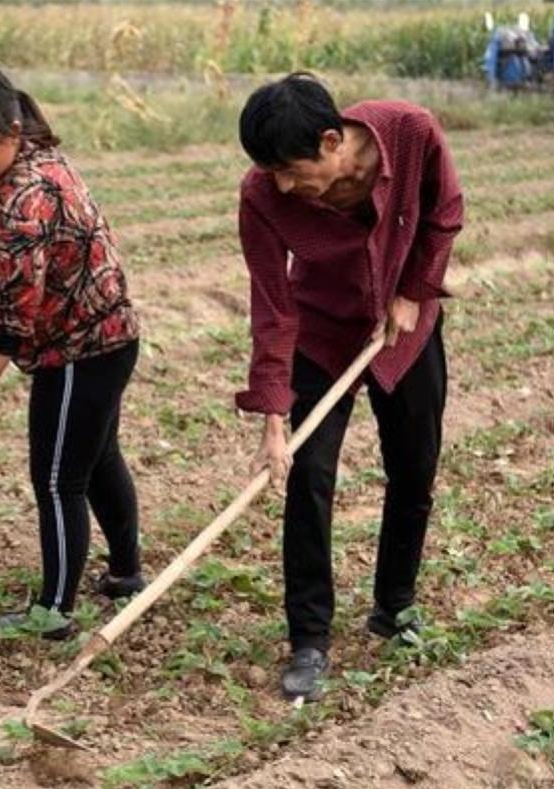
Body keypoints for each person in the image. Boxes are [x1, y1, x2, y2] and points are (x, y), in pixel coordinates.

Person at [234, 72, 463, 698]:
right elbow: (273, 307)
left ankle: (396, 607)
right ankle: (309, 639)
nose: (281, 185)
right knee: (308, 478)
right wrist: (274, 417)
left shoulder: (410, 131)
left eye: (290, 170)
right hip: (321, 333)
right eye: (270, 172)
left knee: (414, 468)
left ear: (333, 141)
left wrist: (415, 291)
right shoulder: (262, 195)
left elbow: (444, 214)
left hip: (404, 329)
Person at [0, 68, 144, 639]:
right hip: (102, 340)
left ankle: (53, 613)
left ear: (9, 130)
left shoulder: (25, 198)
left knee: (58, 479)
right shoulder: (26, 162)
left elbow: (11, 313)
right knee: (98, 458)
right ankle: (126, 575)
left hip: (82, 350)